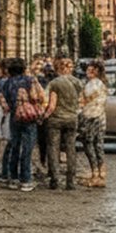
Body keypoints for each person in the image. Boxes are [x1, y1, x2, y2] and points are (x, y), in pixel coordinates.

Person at [1, 58, 44, 192]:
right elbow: (39, 97)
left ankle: (13, 178)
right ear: (24, 68)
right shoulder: (30, 80)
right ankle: (26, 179)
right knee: (27, 148)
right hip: (29, 117)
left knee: (15, 146)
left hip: (15, 117)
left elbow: (5, 101)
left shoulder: (7, 83)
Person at [42, 57, 83, 191]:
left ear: (58, 68)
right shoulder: (78, 83)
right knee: (71, 148)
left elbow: (51, 104)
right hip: (72, 118)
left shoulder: (55, 83)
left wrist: (44, 116)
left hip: (56, 119)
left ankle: (55, 179)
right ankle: (70, 181)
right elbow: (82, 102)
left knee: (53, 148)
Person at [78, 60, 109, 188]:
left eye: (89, 70)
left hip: (90, 117)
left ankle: (95, 173)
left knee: (89, 145)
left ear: (95, 71)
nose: (86, 72)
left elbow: (84, 102)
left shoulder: (92, 85)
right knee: (99, 145)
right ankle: (101, 173)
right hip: (100, 117)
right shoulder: (102, 84)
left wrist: (80, 103)